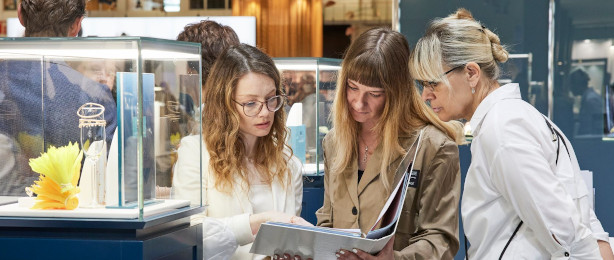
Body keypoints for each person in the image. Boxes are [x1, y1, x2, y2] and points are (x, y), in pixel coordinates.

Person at [409, 9, 614, 259]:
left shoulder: (502, 128)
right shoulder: (509, 119)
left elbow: (564, 233)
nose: (425, 95)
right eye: (422, 85)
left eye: (432, 83)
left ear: (471, 73)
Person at [314, 27, 465, 260]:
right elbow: (327, 220)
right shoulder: (334, 142)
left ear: (397, 93)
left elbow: (440, 238)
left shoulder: (434, 147)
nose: (359, 103)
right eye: (352, 88)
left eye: (374, 94)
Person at [172, 44, 311, 260]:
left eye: (271, 99)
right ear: (225, 105)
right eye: (251, 103)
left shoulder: (288, 162)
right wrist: (259, 222)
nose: (265, 112)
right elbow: (187, 238)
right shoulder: (196, 154)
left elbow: (291, 238)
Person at [0, 0, 116, 195]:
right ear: (76, 25)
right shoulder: (96, 96)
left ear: (20, 16)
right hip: (71, 218)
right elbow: (99, 181)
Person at [570, 69, 604, 136]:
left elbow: (598, 129)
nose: (570, 88)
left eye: (571, 84)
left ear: (578, 84)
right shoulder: (588, 98)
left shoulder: (591, 100)